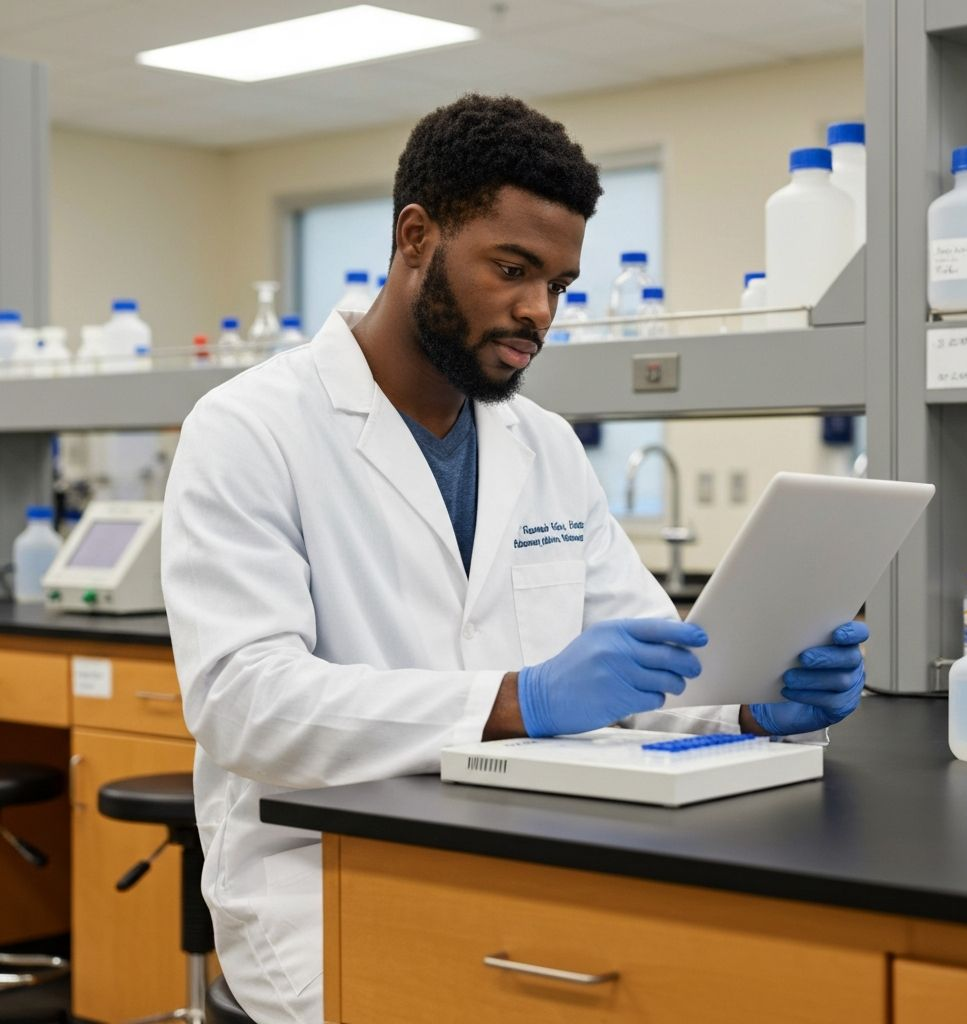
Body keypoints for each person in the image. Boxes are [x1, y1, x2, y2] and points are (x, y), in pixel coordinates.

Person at [161, 94, 867, 1024]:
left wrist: (742, 703)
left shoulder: (543, 446)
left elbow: (643, 664)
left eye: (560, 284)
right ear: (417, 237)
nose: (538, 310)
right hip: (326, 878)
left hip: (537, 853)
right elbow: (243, 702)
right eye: (511, 268)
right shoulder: (250, 427)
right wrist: (513, 699)